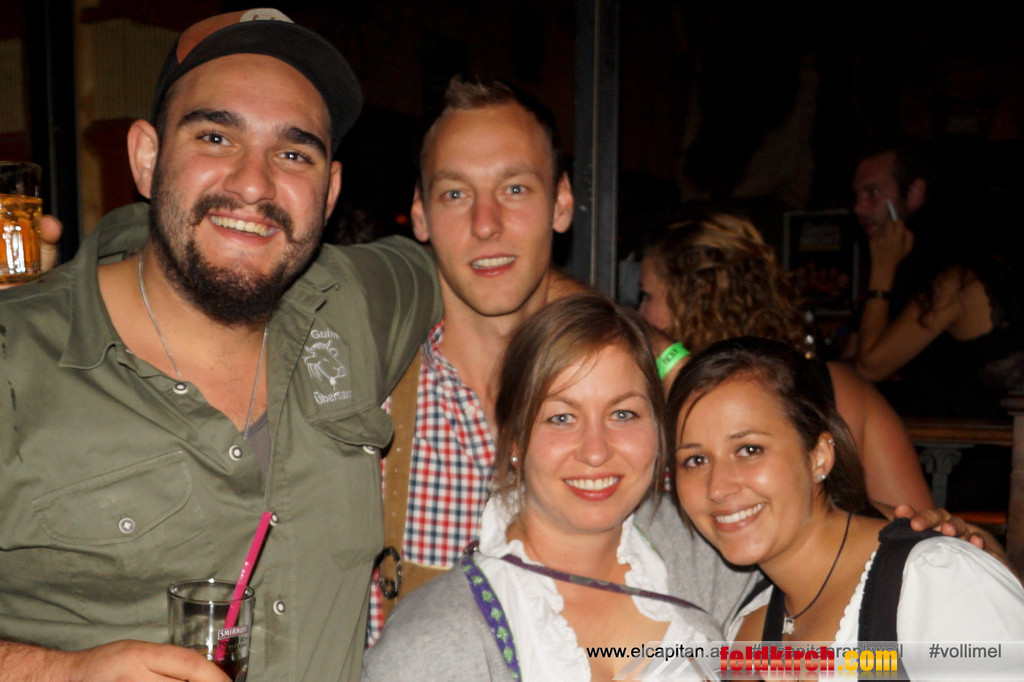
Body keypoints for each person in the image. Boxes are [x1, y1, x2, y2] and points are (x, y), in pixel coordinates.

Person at [0, 9, 440, 681]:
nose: (253, 183)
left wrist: (623, 334)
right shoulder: (16, 357)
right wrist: (57, 673)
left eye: (293, 153)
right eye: (215, 136)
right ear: (147, 158)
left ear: (329, 193)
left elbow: (479, 264)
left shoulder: (349, 304)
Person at [365, 294, 757, 680]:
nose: (596, 452)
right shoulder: (428, 645)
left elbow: (794, 659)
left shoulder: (714, 555)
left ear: (658, 427)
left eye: (623, 414)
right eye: (562, 418)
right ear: (514, 439)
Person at [367, 76, 580, 641]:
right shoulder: (362, 410)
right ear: (420, 215)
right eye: (456, 194)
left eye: (515, 189)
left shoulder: (619, 412)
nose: (485, 224)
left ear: (561, 202)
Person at [670, 337, 1024, 674]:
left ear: (819, 456)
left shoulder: (934, 580)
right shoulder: (749, 628)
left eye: (749, 449)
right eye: (695, 460)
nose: (718, 487)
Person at [638, 213, 934, 511]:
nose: (640, 312)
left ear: (696, 295)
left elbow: (917, 523)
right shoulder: (639, 395)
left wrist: (668, 357)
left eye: (647, 296)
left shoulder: (837, 390)